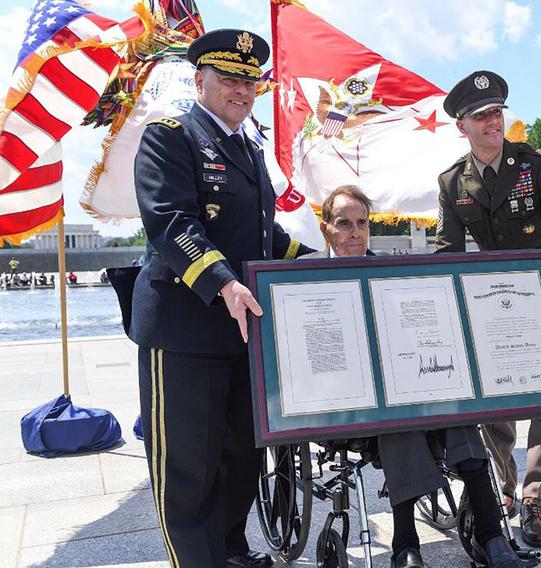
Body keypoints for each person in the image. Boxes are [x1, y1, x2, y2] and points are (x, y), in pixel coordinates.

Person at [128, 29, 313, 568]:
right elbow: (171, 222)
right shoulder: (170, 135)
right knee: (189, 465)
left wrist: (311, 262)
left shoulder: (247, 145)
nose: (241, 89)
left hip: (242, 330)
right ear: (199, 80)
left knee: (239, 457)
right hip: (185, 327)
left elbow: (260, 235)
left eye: (250, 80)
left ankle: (231, 551)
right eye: (229, 78)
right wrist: (223, 281)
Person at [303, 186, 518, 568]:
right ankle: (405, 543)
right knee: (396, 419)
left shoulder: (392, 275)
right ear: (326, 230)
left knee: (457, 413)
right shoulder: (305, 283)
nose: (355, 232)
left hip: (404, 393)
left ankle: (492, 535)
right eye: (344, 224)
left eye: (362, 223)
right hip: (344, 407)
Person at [436, 70, 541, 551]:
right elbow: (447, 247)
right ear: (462, 126)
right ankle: (505, 488)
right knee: (495, 404)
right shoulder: (451, 181)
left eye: (497, 112)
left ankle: (534, 497)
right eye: (480, 116)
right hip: (489, 304)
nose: (491, 122)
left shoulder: (537, 165)